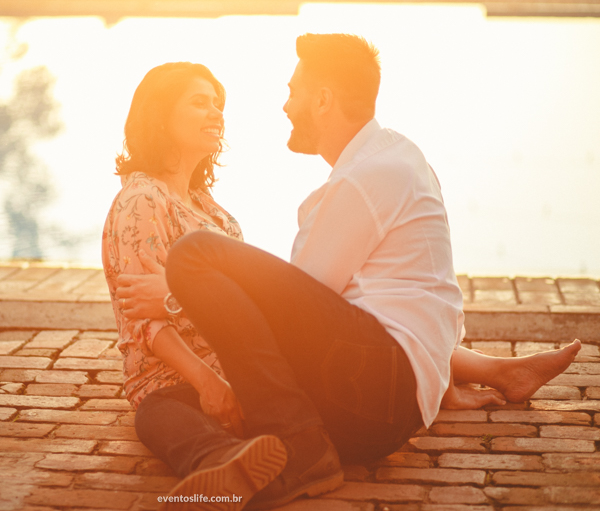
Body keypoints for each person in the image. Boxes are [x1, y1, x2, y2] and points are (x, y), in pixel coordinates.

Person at [116, 34, 582, 509]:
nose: (284, 105)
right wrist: (436, 381)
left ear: (322, 100)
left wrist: (177, 292)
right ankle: (252, 457)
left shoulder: (365, 178)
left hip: (374, 390)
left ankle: (300, 449)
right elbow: (377, 300)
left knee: (195, 254)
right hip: (380, 402)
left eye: (293, 91)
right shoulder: (394, 158)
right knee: (167, 403)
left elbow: (292, 311)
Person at [102, 62, 289, 511]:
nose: (216, 113)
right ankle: (219, 476)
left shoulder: (213, 212)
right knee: (163, 417)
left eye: (218, 104)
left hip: (240, 365)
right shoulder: (142, 199)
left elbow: (244, 299)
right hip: (174, 380)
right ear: (162, 116)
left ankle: (264, 463)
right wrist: (207, 383)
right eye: (199, 102)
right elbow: (143, 320)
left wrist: (177, 298)